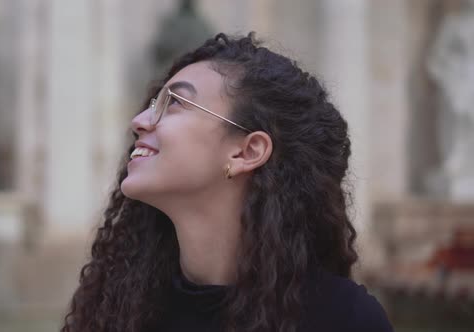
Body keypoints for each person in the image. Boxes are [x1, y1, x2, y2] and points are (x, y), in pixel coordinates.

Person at [62, 33, 393, 332]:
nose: (139, 121)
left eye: (174, 103)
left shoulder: (344, 320)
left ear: (247, 152)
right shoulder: (121, 309)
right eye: (152, 104)